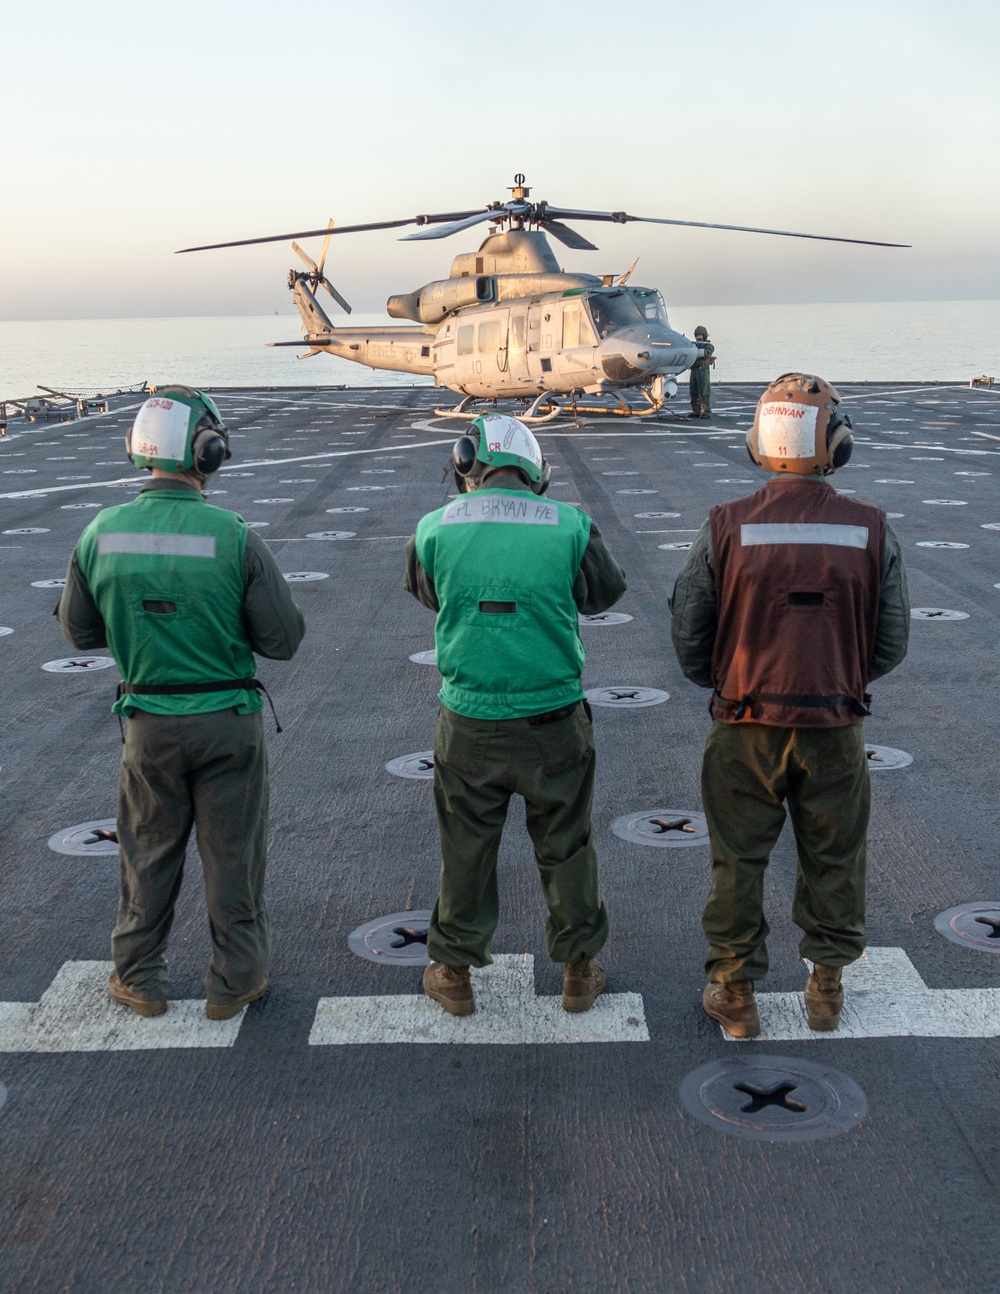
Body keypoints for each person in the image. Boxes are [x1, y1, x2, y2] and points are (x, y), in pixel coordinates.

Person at [669, 373, 909, 1037]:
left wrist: (721, 681)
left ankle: (735, 991)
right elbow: (892, 642)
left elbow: (690, 627)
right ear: (836, 444)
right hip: (834, 726)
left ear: (758, 442)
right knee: (834, 859)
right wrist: (838, 673)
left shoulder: (725, 525)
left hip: (744, 723)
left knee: (737, 861)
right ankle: (825, 988)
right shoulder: (872, 528)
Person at [58, 386, 305, 1020]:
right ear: (209, 452)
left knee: (146, 854)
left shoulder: (99, 533)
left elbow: (80, 633)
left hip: (148, 725)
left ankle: (139, 978)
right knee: (234, 860)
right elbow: (283, 640)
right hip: (227, 725)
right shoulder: (233, 534)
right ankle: (235, 982)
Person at [404, 414, 627, 1017]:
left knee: (467, 849)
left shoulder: (433, 527)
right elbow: (605, 593)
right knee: (567, 843)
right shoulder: (570, 525)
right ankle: (579, 969)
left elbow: (428, 592)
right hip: (553, 718)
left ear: (466, 465)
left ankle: (452, 971)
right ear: (537, 472)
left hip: (468, 721)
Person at [688, 325, 715, 419]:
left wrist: (695, 352)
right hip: (694, 370)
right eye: (697, 335)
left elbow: (706, 354)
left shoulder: (709, 346)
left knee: (704, 391)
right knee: (693, 391)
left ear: (704, 335)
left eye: (700, 335)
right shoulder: (693, 345)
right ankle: (696, 410)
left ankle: (706, 411)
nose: (699, 337)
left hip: (702, 370)